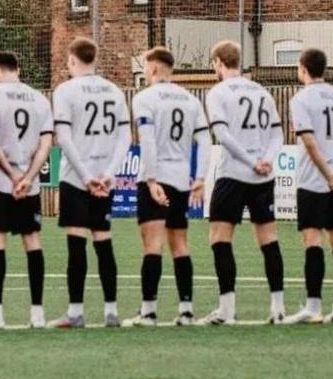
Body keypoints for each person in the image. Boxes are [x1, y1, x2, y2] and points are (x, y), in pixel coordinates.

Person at [123, 47, 211, 328]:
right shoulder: (190, 100)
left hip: (156, 178)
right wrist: (199, 178)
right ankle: (186, 310)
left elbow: (147, 141)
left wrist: (150, 179)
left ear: (154, 69)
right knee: (180, 245)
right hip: (180, 178)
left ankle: (148, 311)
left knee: (152, 245)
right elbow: (206, 141)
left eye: (147, 69)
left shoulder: (144, 98)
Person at [46, 37, 131, 329]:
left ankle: (76, 311)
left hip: (76, 177)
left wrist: (84, 176)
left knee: (76, 244)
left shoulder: (65, 91)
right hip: (104, 177)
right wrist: (109, 173)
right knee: (103, 241)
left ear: (71, 60)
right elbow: (125, 138)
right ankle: (111, 311)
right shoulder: (114, 91)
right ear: (94, 59)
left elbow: (64, 137)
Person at [201, 40, 286, 325]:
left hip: (234, 173)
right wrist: (267, 160)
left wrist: (250, 161)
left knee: (219, 238)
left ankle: (227, 309)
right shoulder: (261, 91)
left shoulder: (217, 92)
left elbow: (223, 135)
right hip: (263, 176)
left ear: (218, 63)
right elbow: (277, 134)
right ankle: (278, 307)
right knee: (269, 240)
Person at [282, 48, 333, 325]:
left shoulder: (301, 99)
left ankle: (314, 307)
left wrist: (328, 175)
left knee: (312, 239)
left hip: (314, 179)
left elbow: (311, 142)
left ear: (302, 68)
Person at [0, 52, 54, 329]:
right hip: (29, 184)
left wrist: (11, 175)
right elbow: (46, 144)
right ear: (18, 69)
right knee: (32, 243)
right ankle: (37, 314)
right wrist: (28, 177)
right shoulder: (40, 99)